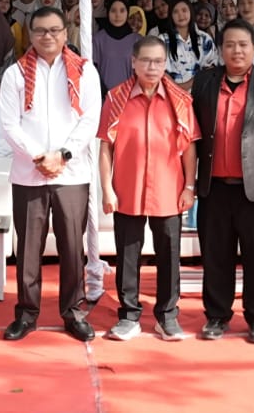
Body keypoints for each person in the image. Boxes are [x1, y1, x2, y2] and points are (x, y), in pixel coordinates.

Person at [0, 6, 104, 342]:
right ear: (30, 33)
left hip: (71, 175)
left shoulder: (85, 72)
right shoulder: (15, 74)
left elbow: (90, 119)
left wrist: (63, 155)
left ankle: (73, 311)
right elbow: (9, 124)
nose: (48, 37)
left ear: (65, 32)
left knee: (73, 247)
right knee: (29, 248)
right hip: (30, 173)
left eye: (55, 30)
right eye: (41, 30)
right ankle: (27, 314)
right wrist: (38, 156)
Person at [190, 20, 254, 345]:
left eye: (243, 45)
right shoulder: (205, 83)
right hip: (214, 188)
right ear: (221, 50)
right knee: (216, 256)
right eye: (230, 45)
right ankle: (217, 315)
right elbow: (192, 133)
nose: (237, 50)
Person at [98, 36, 198, 342]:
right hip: (127, 190)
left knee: (169, 255)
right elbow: (106, 147)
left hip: (169, 191)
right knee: (128, 255)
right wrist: (106, 189)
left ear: (165, 63)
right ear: (134, 62)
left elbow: (190, 148)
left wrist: (189, 187)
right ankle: (128, 316)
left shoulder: (180, 100)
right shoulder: (116, 98)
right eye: (146, 61)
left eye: (158, 61)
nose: (152, 67)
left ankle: (167, 317)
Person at [92, 0, 141, 92]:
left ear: (127, 13)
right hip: (105, 97)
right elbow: (92, 70)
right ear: (108, 13)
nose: (117, 15)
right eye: (113, 11)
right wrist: (103, 91)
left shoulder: (138, 40)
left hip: (131, 97)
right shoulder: (98, 39)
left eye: (122, 11)